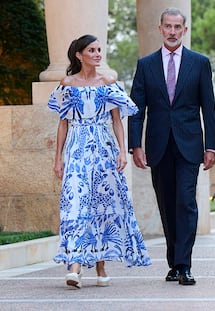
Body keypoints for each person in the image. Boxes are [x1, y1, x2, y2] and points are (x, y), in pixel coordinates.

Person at [48, 34, 151, 289]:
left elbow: (117, 120)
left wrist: (120, 151)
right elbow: (63, 123)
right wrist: (58, 158)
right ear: (79, 55)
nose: (97, 54)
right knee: (75, 204)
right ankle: (74, 266)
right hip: (77, 149)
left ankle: (101, 264)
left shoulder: (109, 82)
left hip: (104, 149)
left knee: (101, 204)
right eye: (91, 50)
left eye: (99, 50)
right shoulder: (67, 83)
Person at [128, 7, 215, 286]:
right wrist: (135, 145)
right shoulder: (145, 65)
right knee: (167, 205)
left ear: (185, 30)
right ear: (160, 28)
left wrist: (211, 146)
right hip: (158, 145)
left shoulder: (199, 63)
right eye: (168, 26)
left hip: (190, 145)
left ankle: (184, 264)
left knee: (186, 203)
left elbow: (209, 107)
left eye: (177, 27)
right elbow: (135, 109)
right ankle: (174, 262)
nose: (172, 32)